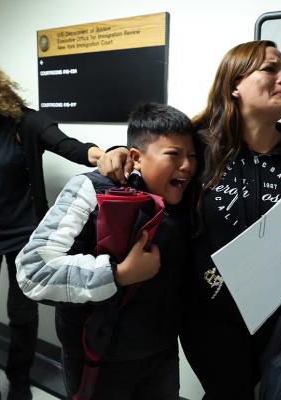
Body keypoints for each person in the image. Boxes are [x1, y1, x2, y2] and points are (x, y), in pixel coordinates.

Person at [0, 36, 127, 400]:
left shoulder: (23, 122)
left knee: (21, 318)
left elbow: (71, 146)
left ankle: (19, 383)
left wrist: (107, 154)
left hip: (23, 239)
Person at [15, 102, 199, 400]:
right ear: (136, 158)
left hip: (161, 357)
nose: (187, 165)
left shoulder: (186, 200)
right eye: (174, 154)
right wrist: (117, 274)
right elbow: (32, 270)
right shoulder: (91, 189)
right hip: (97, 360)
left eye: (192, 156)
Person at [179, 40, 281, 399]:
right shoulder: (197, 148)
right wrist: (116, 155)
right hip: (206, 316)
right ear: (235, 85)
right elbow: (152, 178)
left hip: (276, 318)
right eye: (271, 69)